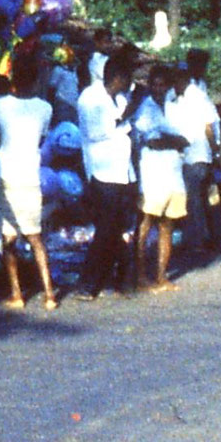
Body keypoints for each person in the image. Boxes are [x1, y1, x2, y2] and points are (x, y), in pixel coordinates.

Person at [0, 66, 58, 311]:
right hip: (30, 175)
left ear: (13, 81)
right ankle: (49, 294)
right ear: (36, 81)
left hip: (4, 174)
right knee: (36, 237)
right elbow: (40, 139)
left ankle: (17, 294)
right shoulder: (45, 108)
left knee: (8, 238)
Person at [76, 50, 139, 298]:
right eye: (126, 79)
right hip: (103, 173)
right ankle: (89, 282)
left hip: (123, 172)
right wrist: (122, 119)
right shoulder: (90, 98)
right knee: (105, 230)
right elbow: (96, 132)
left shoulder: (120, 98)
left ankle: (120, 277)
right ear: (117, 77)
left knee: (119, 228)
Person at [130, 64, 189, 294]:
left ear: (168, 86)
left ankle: (161, 276)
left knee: (168, 226)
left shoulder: (175, 108)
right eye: (154, 84)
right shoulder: (145, 109)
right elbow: (152, 141)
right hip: (152, 174)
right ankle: (140, 276)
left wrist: (169, 139)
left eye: (162, 84)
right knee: (145, 224)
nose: (158, 88)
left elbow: (186, 139)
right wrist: (172, 140)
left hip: (174, 174)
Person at [168, 49, 221, 258]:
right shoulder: (176, 97)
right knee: (197, 199)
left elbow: (209, 125)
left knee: (195, 200)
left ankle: (199, 241)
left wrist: (215, 152)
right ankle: (203, 237)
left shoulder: (197, 95)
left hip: (198, 155)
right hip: (187, 156)